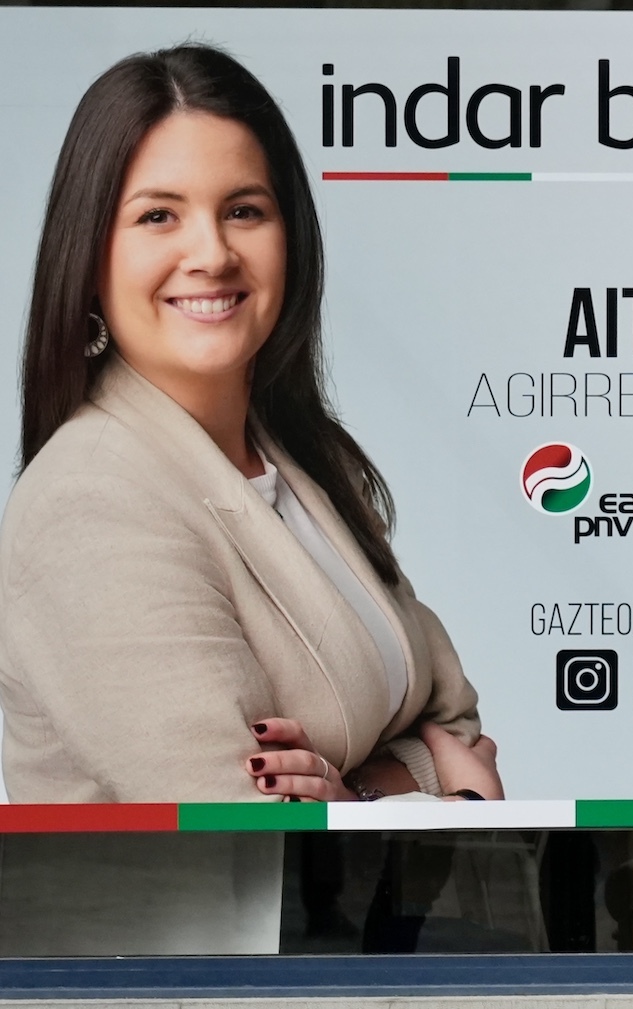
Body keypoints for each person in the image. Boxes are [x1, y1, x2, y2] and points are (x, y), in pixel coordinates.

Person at [0, 43, 501, 806]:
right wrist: (440, 795)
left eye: (244, 210)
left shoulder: (299, 460)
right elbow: (244, 822)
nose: (211, 253)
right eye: (158, 215)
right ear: (90, 255)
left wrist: (355, 793)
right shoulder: (91, 500)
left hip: (352, 920)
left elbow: (455, 724)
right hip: (195, 928)